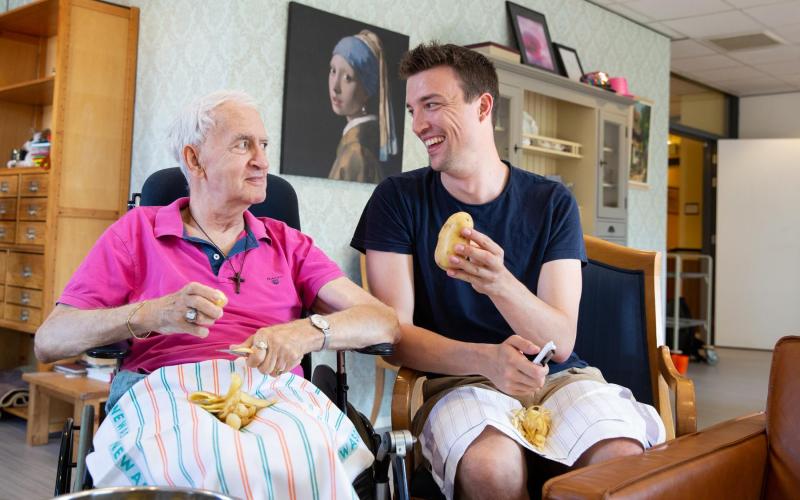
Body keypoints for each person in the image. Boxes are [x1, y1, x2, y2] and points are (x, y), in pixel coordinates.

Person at [35, 90, 400, 497]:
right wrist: (151, 314)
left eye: (263, 145)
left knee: (298, 456)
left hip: (271, 394)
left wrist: (307, 333)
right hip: (167, 393)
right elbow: (50, 341)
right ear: (194, 160)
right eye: (243, 144)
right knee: (192, 458)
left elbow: (383, 320)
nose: (262, 160)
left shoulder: (288, 244)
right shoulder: (136, 232)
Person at [351, 43, 665, 500]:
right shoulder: (397, 200)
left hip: (558, 380)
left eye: (433, 105)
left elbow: (561, 341)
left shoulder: (552, 203)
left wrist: (498, 282)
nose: (418, 125)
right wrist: (485, 359)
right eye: (413, 109)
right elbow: (394, 335)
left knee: (620, 457)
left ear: (483, 106)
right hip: (458, 382)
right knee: (491, 470)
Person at [327, 29, 398, 183]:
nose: (335, 87)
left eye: (348, 77)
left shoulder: (356, 150)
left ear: (367, 89)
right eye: (333, 71)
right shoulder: (357, 142)